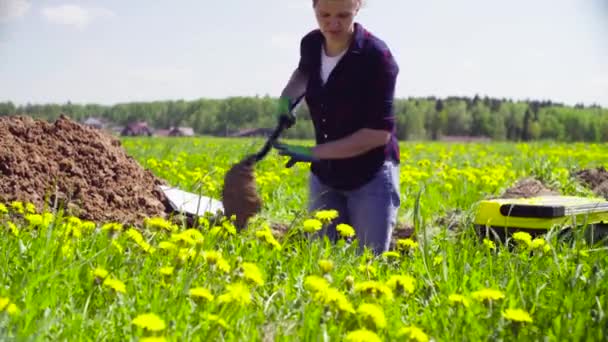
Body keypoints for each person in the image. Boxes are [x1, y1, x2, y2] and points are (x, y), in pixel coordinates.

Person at [273, 0, 401, 255]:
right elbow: (304, 73)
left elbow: (377, 135)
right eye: (324, 15)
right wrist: (287, 99)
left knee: (368, 263)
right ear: (314, 9)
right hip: (325, 176)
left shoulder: (377, 57)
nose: (332, 24)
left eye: (343, 15)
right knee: (320, 259)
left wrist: (312, 153)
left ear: (357, 8)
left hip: (370, 175)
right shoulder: (311, 44)